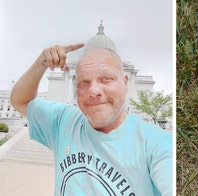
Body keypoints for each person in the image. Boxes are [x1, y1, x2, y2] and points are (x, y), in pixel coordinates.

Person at [10, 43, 173, 196]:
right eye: (83, 82)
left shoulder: (157, 144)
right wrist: (41, 64)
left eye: (106, 79)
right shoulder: (63, 121)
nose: (93, 91)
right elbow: (20, 100)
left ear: (125, 82)